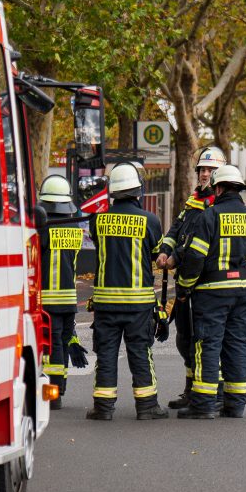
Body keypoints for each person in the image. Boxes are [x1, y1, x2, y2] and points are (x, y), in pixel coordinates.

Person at [175, 164, 246, 418]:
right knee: (237, 345)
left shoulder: (210, 215)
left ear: (219, 188)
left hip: (213, 292)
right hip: (245, 292)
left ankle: (203, 405)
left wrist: (184, 287)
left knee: (208, 344)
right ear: (239, 189)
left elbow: (195, 257)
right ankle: (235, 405)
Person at [86, 162, 166, 421]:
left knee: (106, 353)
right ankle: (147, 407)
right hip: (139, 304)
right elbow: (157, 257)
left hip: (105, 304)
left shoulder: (97, 220)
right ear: (138, 190)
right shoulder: (150, 221)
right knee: (140, 351)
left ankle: (103, 408)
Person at [155, 145, 227, 408]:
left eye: (210, 170)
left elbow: (199, 241)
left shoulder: (218, 204)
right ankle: (192, 389)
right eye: (202, 169)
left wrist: (177, 257)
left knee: (202, 340)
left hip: (203, 283)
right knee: (185, 339)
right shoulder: (194, 199)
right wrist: (165, 249)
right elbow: (178, 228)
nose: (205, 174)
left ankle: (213, 393)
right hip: (185, 283)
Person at [38, 176, 88, 408]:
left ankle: (52, 394)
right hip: (69, 298)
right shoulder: (75, 227)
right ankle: (61, 389)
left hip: (47, 298)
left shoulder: (44, 228)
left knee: (52, 345)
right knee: (64, 340)